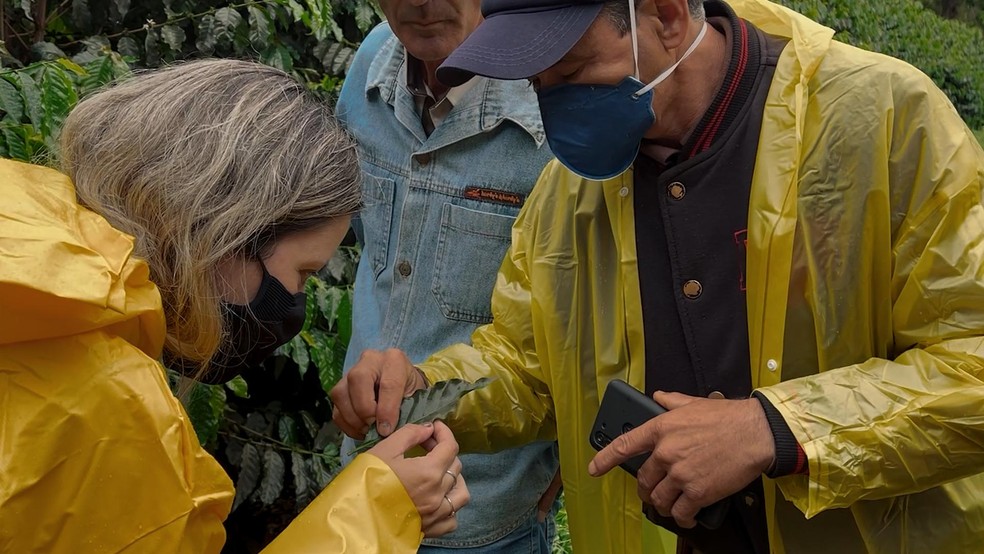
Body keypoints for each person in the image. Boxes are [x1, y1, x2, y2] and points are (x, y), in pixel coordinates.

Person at [330, 0, 984, 552]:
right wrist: (428, 387)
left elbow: (971, 364)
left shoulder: (881, 122)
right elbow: (531, 368)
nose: (556, 107)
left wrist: (775, 427)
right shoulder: (570, 192)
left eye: (574, 72)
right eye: (537, 84)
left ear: (666, 16)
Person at [0, 59, 469, 553]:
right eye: (303, 273)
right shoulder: (110, 401)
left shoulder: (22, 219)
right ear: (225, 233)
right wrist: (379, 510)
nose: (294, 303)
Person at [331, 1, 563, 552]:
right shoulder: (369, 65)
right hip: (361, 481)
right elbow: (363, 238)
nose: (422, 4)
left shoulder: (555, 101)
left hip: (483, 508)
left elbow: (589, 311)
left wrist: (569, 456)